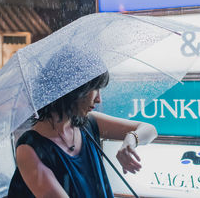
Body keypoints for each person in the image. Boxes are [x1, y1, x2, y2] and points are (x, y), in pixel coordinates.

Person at [8, 71, 158, 198]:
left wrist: (131, 140)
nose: (99, 99)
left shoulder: (87, 123)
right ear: (74, 90)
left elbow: (150, 129)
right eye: (95, 89)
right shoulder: (29, 149)